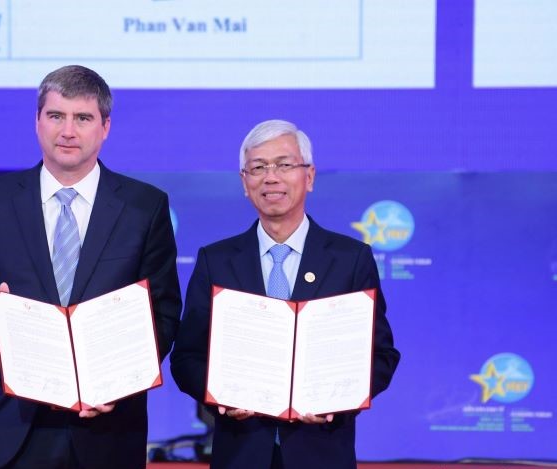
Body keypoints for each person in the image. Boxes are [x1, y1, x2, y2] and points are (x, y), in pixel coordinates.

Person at [0, 65, 182, 469]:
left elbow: (162, 312)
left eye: (83, 118)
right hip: (12, 421)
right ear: (38, 122)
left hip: (107, 425)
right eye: (56, 116)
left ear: (105, 126)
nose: (68, 131)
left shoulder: (145, 207)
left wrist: (120, 383)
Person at [170, 119, 400, 469]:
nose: (271, 177)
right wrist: (219, 396)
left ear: (309, 177)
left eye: (284, 164)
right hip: (240, 453)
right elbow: (186, 357)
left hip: (322, 452)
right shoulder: (215, 261)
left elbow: (381, 355)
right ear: (245, 183)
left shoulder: (350, 259)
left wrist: (338, 401)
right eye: (258, 167)